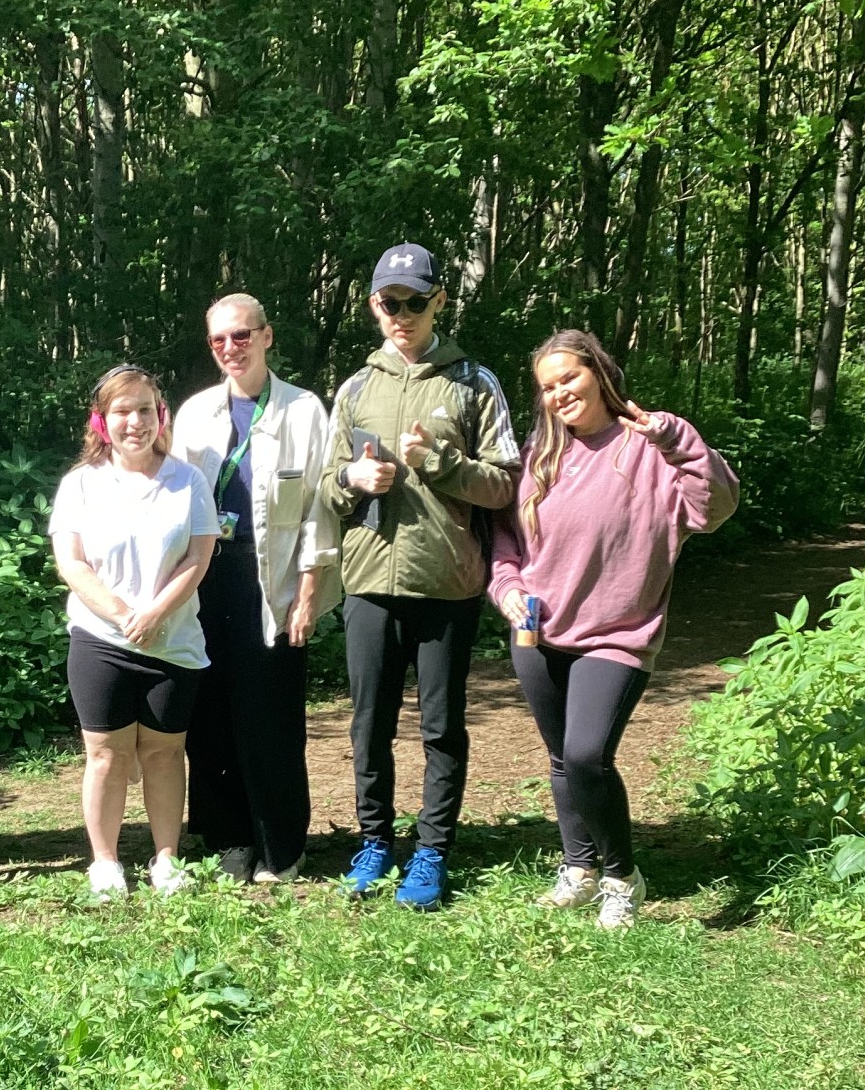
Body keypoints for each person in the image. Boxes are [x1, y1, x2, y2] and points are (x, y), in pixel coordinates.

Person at [488, 328, 740, 929]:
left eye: (569, 377)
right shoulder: (538, 454)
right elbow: (503, 538)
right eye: (548, 387)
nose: (560, 393)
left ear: (598, 374)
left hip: (618, 634)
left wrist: (675, 438)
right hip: (537, 630)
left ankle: (622, 878)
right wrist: (508, 587)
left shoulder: (651, 447)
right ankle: (578, 867)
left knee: (586, 755)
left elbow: (715, 507)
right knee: (561, 758)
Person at [322, 242, 520, 910]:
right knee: (368, 724)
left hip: (447, 583)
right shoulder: (355, 387)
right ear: (373, 305)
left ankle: (432, 851)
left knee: (441, 726)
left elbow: (506, 485)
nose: (401, 315)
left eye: (414, 302)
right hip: (369, 582)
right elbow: (325, 488)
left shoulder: (473, 382)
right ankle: (375, 842)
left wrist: (441, 463)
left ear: (439, 302)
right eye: (390, 303)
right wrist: (352, 479)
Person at [170, 295, 339, 882]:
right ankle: (230, 840)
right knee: (211, 716)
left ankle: (281, 845)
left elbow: (319, 508)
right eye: (219, 340)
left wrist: (309, 592)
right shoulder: (194, 413)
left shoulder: (304, 410)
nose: (230, 349)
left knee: (271, 718)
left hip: (273, 581)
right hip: (204, 577)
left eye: (241, 336)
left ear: (267, 336)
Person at [49, 366, 218, 900]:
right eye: (122, 411)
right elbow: (72, 563)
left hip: (173, 643)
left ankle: (166, 859)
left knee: (165, 755)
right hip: (100, 641)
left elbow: (198, 557)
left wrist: (156, 614)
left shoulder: (188, 480)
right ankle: (105, 863)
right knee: (106, 756)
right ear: (102, 421)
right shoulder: (80, 484)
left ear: (160, 416)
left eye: (146, 409)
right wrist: (124, 614)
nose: (136, 421)